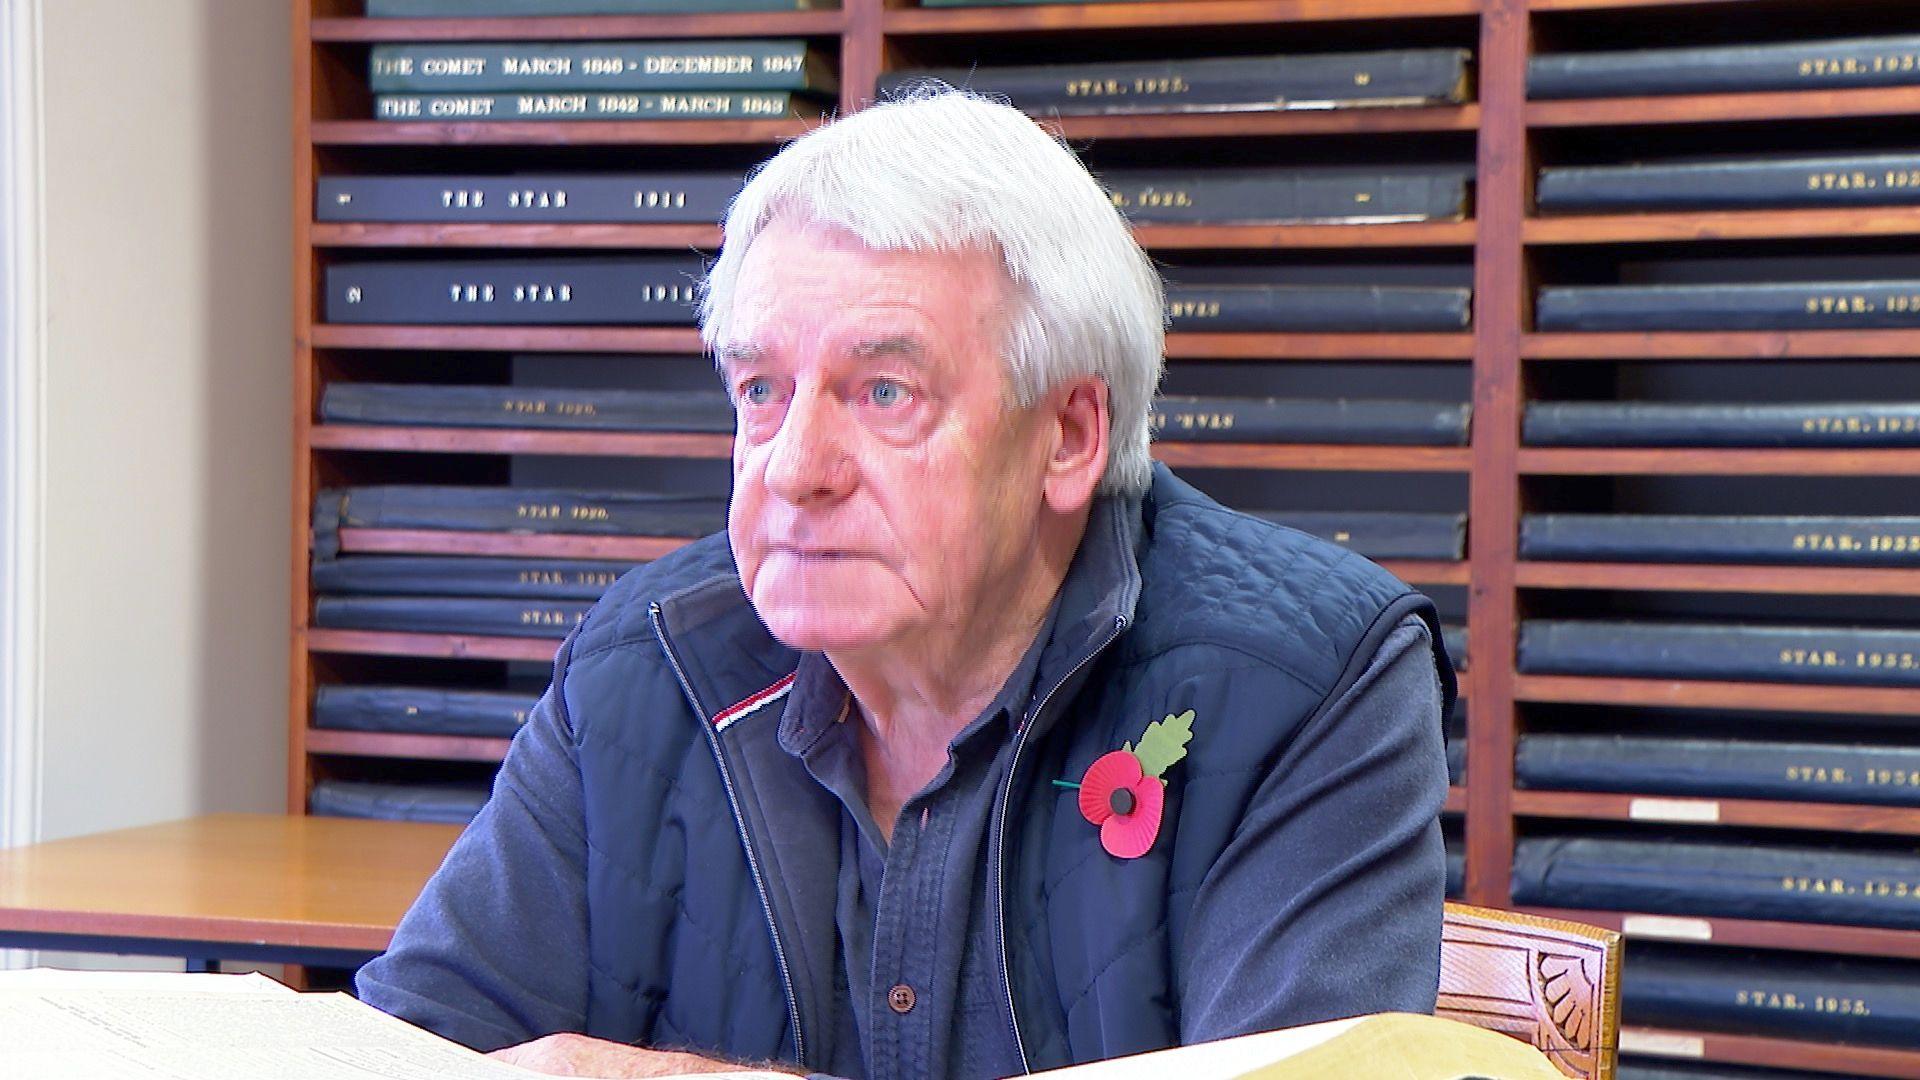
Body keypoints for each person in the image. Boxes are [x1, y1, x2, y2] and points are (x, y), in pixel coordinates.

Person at [356, 87, 1455, 1080]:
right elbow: (405, 1056)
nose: (794, 468)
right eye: (761, 389)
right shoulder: (646, 667)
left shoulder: (1315, 686)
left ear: (1067, 436)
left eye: (884, 392)